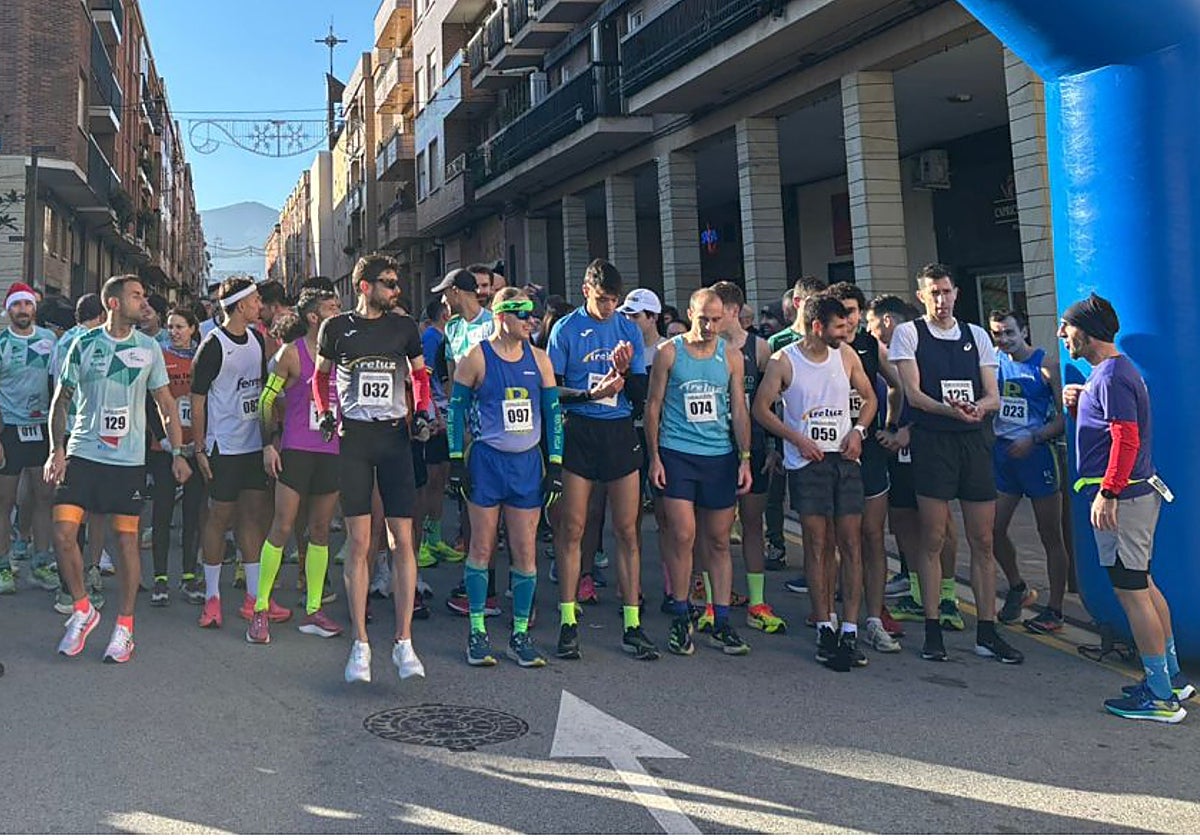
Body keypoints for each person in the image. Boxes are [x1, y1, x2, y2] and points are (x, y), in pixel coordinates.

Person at [1059, 293, 1191, 722]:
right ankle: (1168, 677)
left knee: (1131, 592)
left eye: (1068, 326)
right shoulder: (1110, 374)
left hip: (1126, 499)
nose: (1062, 334)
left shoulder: (1113, 376)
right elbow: (1113, 425)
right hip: (1136, 497)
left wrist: (1109, 492)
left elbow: (1126, 439)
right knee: (1143, 584)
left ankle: (1159, 695)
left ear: (1089, 330)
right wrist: (1085, 404)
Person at [45, 275, 191, 663]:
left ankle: (124, 627)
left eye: (143, 296)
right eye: (136, 296)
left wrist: (177, 452)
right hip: (82, 452)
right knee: (62, 533)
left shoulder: (148, 349)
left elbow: (165, 403)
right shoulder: (84, 343)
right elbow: (60, 400)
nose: (143, 303)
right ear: (113, 303)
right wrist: (55, 450)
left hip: (126, 460)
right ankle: (82, 609)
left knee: (126, 542)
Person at [889, 263, 1022, 664]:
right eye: (934, 293)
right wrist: (952, 410)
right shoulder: (909, 333)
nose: (941, 300)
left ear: (956, 293)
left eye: (946, 292)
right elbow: (913, 394)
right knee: (934, 537)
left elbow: (993, 396)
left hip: (973, 442)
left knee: (983, 539)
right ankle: (933, 629)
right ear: (921, 296)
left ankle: (987, 630)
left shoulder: (977, 335)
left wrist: (977, 408)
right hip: (934, 442)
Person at [313, 253, 432, 683]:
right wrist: (325, 412)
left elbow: (419, 378)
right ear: (365, 287)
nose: (396, 290)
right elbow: (320, 378)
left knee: (402, 539)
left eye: (397, 283)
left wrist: (421, 411)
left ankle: (404, 642)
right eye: (388, 283)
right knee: (360, 542)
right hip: (355, 441)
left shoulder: (404, 328)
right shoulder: (337, 327)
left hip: (395, 440)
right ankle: (360, 644)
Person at [753, 293, 878, 668]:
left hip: (845, 458)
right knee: (817, 543)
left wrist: (858, 431)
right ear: (817, 326)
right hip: (807, 462)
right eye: (839, 326)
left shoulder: (847, 356)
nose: (846, 332)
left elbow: (869, 398)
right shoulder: (784, 360)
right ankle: (825, 623)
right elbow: (761, 409)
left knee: (851, 543)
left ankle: (851, 628)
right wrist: (796, 439)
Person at [547, 259, 657, 660]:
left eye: (613, 300)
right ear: (585, 292)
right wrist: (590, 395)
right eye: (602, 300)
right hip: (580, 429)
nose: (609, 307)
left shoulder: (628, 329)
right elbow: (552, 392)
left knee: (627, 530)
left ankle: (632, 624)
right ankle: (568, 620)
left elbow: (640, 393)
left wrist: (625, 374)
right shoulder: (565, 329)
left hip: (617, 432)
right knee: (574, 527)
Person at [448, 287, 563, 667]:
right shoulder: (475, 359)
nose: (531, 320)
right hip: (487, 461)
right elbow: (455, 412)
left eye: (533, 314)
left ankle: (519, 634)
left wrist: (556, 464)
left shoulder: (540, 360)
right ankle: (477, 631)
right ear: (501, 316)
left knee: (525, 551)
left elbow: (553, 415)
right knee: (481, 548)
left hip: (526, 464)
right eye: (522, 314)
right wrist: (455, 462)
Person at [646, 287, 753, 656]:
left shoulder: (732, 357)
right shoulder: (669, 353)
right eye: (702, 318)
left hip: (719, 456)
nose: (709, 326)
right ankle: (680, 614)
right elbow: (654, 406)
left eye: (715, 319)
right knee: (683, 534)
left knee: (720, 541)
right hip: (678, 453)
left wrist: (745, 457)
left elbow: (739, 408)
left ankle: (721, 621)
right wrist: (655, 456)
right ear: (690, 314)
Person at [248, 288, 344, 643]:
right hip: (297, 449)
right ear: (314, 317)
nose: (340, 311)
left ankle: (315, 609)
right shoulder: (292, 354)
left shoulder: (342, 355)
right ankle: (260, 609)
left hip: (331, 451)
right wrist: (267, 445)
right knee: (283, 526)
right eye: (333, 308)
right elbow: (265, 401)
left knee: (319, 530)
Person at [191, 277, 287, 629]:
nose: (259, 303)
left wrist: (267, 440)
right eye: (255, 298)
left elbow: (262, 396)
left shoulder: (257, 340)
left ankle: (254, 597)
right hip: (223, 446)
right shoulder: (213, 345)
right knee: (219, 517)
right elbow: (197, 401)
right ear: (240, 304)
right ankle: (212, 598)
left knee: (253, 517)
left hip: (251, 446)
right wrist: (199, 447)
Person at [708, 281, 787, 634]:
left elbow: (774, 402)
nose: (711, 318)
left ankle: (757, 601)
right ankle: (712, 602)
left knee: (753, 524)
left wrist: (774, 447)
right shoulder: (704, 348)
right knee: (714, 531)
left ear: (734, 312)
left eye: (718, 311)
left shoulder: (760, 348)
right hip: (712, 447)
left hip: (752, 447)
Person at [828, 282, 904, 653]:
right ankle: (835, 618)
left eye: (853, 310)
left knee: (873, 537)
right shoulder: (818, 350)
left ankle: (874, 618)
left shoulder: (871, 347)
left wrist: (893, 426)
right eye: (841, 311)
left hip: (868, 451)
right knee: (841, 539)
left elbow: (897, 386)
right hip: (830, 454)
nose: (848, 318)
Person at [988, 308, 1070, 633]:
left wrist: (1034, 438)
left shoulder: (1046, 366)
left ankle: (1056, 610)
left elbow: (1064, 418)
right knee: (991, 530)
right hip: (1003, 455)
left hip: (1037, 456)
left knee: (1049, 534)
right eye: (998, 333)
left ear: (1024, 331)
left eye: (1009, 332)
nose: (1004, 339)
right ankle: (1018, 586)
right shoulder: (992, 363)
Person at [434, 269, 497, 614]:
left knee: (494, 510)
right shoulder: (453, 329)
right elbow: (450, 376)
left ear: (458, 292)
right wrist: (448, 416)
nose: (443, 301)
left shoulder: (491, 325)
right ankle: (475, 577)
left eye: (445, 294)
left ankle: (492, 585)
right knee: (467, 505)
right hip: (463, 428)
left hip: (491, 427)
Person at [48, 294, 107, 611]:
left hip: (66, 432)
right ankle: (90, 574)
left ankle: (66, 586)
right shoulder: (99, 341)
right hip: (92, 434)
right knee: (94, 509)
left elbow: (54, 388)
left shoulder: (61, 343)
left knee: (68, 512)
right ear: (100, 316)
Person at [0, 282, 59, 593]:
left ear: (34, 308)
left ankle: (39, 561)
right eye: (16, 305)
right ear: (8, 309)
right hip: (8, 428)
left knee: (44, 497)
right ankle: (3, 566)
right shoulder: (1, 341)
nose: (22, 311)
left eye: (27, 305)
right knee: (5, 500)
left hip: (42, 429)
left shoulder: (49, 340)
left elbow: (59, 387)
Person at [147, 308, 206, 606]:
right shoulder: (158, 355)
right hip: (165, 450)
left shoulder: (202, 357)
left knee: (193, 514)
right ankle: (159, 579)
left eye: (180, 326)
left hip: (194, 446)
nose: (174, 331)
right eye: (170, 326)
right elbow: (151, 403)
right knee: (162, 512)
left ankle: (187, 576)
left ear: (193, 328)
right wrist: (163, 440)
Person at [415, 297, 463, 568]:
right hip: (436, 418)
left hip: (447, 416)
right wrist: (433, 415)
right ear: (445, 314)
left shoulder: (447, 336)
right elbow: (425, 379)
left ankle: (434, 538)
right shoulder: (433, 338)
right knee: (432, 480)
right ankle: (423, 540)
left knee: (442, 476)